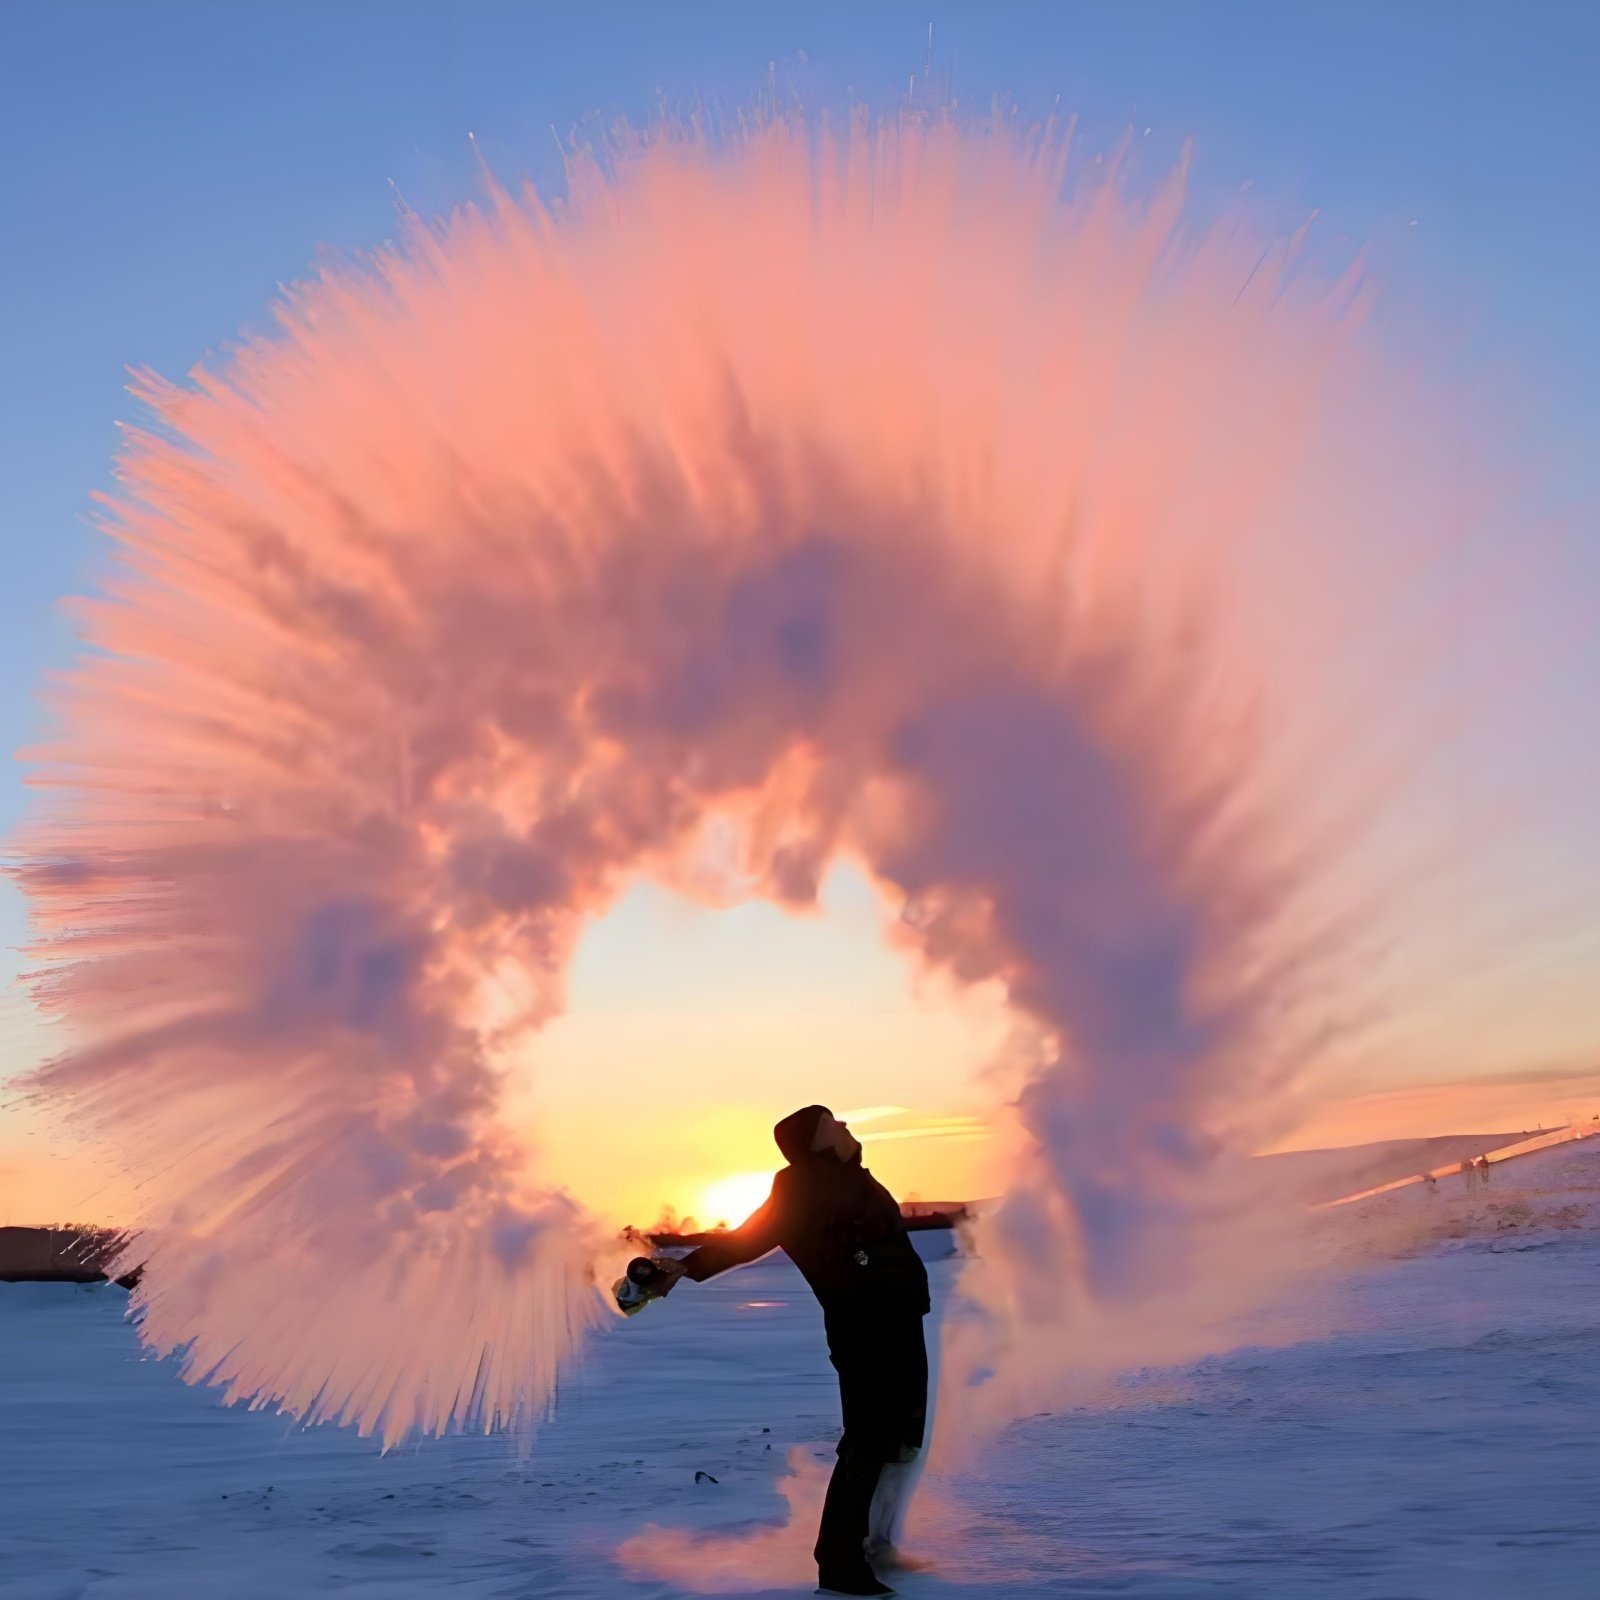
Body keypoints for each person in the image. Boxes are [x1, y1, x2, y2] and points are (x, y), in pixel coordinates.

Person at [646, 1105, 931, 1598]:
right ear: (816, 1142)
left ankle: (871, 1543)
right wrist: (684, 1268)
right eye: (831, 1122)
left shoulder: (854, 1178)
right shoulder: (800, 1186)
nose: (843, 1125)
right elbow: (747, 1239)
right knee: (868, 1440)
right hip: (864, 1329)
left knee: (899, 1440)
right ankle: (839, 1564)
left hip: (901, 1320)